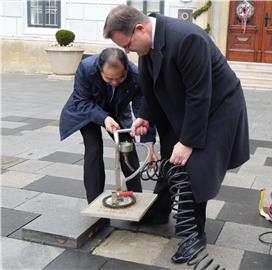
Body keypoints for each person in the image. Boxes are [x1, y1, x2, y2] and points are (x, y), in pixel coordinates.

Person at [103, 5, 250, 263]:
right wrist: (144, 115)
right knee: (171, 157)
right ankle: (160, 211)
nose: (127, 51)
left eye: (127, 45)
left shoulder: (187, 38)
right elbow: (151, 86)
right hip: (185, 103)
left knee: (195, 167)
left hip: (218, 107)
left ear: (139, 28)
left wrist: (189, 141)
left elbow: (200, 93)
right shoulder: (145, 44)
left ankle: (194, 236)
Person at [59, 47, 156, 203]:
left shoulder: (136, 75)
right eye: (109, 79)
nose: (115, 83)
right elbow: (81, 101)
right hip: (87, 111)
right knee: (94, 148)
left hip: (116, 111)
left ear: (126, 68)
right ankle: (94, 202)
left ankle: (136, 197)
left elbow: (144, 110)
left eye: (121, 77)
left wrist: (148, 143)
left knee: (127, 146)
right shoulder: (86, 67)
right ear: (99, 70)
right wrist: (104, 118)